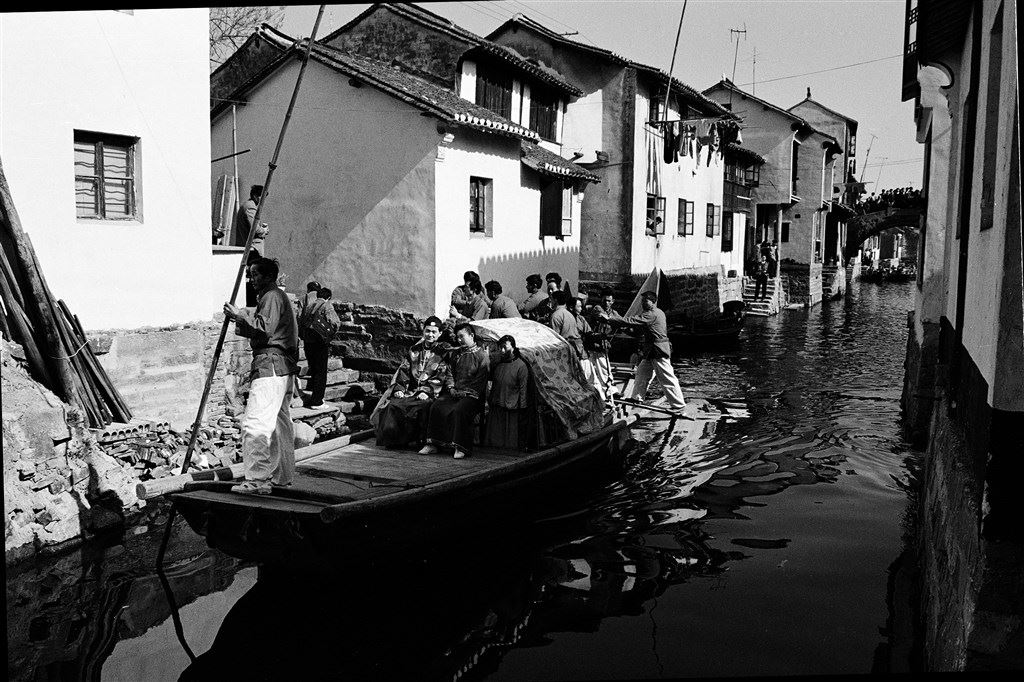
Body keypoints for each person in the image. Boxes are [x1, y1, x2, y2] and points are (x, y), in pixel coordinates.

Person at [222, 257, 299, 495]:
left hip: (271, 365)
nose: (251, 279)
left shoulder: (272, 296)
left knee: (255, 423)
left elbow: (264, 328)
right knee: (278, 424)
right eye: (251, 274)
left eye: (255, 274)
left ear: (268, 276)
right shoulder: (274, 297)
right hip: (281, 367)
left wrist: (238, 315)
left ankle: (257, 480)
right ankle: (281, 476)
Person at [602, 290, 686, 414]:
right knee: (642, 372)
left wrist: (610, 319)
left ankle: (679, 405)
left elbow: (631, 321)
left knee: (667, 377)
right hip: (651, 350)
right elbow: (638, 330)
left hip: (658, 350)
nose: (642, 303)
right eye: (642, 301)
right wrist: (624, 328)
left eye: (645, 301)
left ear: (653, 302)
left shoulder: (652, 314)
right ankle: (637, 398)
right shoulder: (656, 313)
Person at [376, 316, 451, 449]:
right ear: (423, 331)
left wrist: (426, 391)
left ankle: (419, 442)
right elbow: (404, 370)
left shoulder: (443, 352)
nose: (430, 335)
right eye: (428, 331)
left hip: (430, 393)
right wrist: (399, 389)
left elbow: (441, 375)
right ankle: (395, 441)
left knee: (422, 406)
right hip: (411, 391)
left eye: (434, 332)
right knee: (393, 405)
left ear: (439, 333)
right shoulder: (414, 350)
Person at [421, 323, 490, 459]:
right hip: (454, 392)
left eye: (461, 336)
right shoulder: (456, 353)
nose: (459, 340)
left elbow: (481, 380)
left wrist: (466, 393)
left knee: (460, 409)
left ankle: (460, 447)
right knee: (436, 406)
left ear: (471, 335)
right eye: (457, 337)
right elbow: (450, 372)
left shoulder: (482, 356)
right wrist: (451, 388)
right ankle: (433, 444)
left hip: (473, 396)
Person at [484, 335, 530, 450]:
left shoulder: (521, 366)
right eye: (501, 348)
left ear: (513, 347)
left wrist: (523, 407)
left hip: (511, 406)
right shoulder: (498, 364)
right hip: (497, 404)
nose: (502, 351)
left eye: (505, 347)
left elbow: (523, 389)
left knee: (509, 439)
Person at [298, 286, 340, 409]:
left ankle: (314, 398)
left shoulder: (308, 306)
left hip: (308, 342)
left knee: (314, 370)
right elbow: (335, 323)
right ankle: (317, 401)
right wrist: (330, 333)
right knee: (321, 371)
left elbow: (300, 321)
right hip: (320, 342)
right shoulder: (327, 306)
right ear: (328, 297)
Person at [234, 185, 271, 306]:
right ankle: (251, 302)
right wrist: (264, 230)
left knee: (253, 276)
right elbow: (254, 228)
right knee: (255, 276)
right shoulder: (250, 207)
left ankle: (252, 301)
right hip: (252, 249)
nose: (263, 200)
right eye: (262, 197)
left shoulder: (249, 206)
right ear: (255, 196)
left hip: (250, 248)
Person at [571, 297, 606, 401]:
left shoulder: (581, 318)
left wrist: (598, 336)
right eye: (579, 306)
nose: (581, 309)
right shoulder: (569, 318)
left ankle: (600, 399)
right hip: (574, 352)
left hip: (582, 351)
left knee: (591, 377)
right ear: (572, 307)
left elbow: (589, 332)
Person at [549, 290, 584, 360]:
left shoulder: (556, 316)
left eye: (551, 300)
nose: (550, 302)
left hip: (563, 352)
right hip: (575, 349)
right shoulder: (569, 314)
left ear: (555, 300)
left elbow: (555, 338)